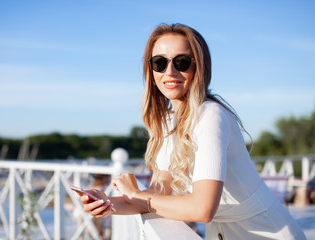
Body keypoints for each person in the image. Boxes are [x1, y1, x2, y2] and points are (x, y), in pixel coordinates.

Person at [78, 23, 306, 239]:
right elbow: (160, 194)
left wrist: (135, 194)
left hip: (269, 233)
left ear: (199, 66)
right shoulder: (168, 122)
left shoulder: (211, 116)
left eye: (182, 62)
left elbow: (202, 208)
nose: (169, 71)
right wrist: (106, 203)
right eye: (159, 62)